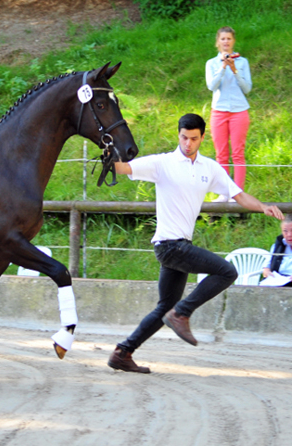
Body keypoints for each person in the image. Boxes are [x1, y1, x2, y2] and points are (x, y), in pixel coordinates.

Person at [107, 113, 283, 374]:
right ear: (177, 135)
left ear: (202, 137)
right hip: (169, 246)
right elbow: (123, 168)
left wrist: (263, 207)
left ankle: (123, 352)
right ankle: (182, 314)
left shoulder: (209, 168)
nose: (187, 143)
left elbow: (238, 194)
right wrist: (108, 150)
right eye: (183, 137)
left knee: (165, 307)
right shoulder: (162, 163)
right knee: (227, 271)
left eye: (193, 139)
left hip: (179, 246)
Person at [206, 26, 252, 202]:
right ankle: (224, 192)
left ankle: (237, 194)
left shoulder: (242, 62)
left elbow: (247, 88)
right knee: (221, 154)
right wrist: (223, 67)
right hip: (219, 110)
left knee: (238, 153)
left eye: (229, 39)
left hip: (239, 111)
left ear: (233, 41)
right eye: (223, 39)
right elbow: (211, 86)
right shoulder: (211, 63)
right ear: (218, 42)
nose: (226, 42)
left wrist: (234, 70)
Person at [261, 214, 292, 286]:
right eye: (285, 231)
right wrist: (268, 272)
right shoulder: (278, 246)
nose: (289, 234)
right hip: (279, 280)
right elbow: (266, 268)